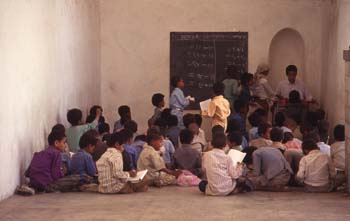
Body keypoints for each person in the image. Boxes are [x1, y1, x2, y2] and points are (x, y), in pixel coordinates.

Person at [26, 131, 92, 192]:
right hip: (47, 186)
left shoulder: (40, 153)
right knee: (81, 177)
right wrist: (62, 173)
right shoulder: (56, 153)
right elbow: (56, 176)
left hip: (34, 184)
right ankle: (92, 181)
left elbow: (27, 173)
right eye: (64, 142)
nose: (65, 145)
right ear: (56, 143)